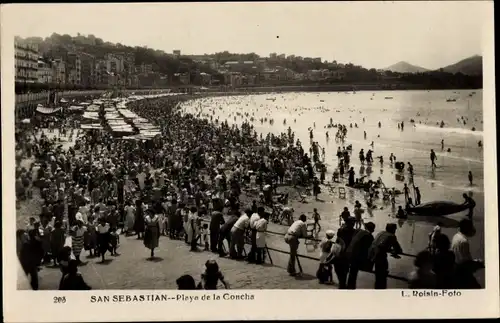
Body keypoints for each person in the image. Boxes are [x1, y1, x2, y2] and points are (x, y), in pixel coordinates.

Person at [368, 223, 403, 289]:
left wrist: (390, 249)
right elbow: (399, 249)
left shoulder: (380, 233)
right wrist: (394, 252)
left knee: (378, 276)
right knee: (382, 276)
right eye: (395, 229)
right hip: (380, 257)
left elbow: (380, 245)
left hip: (372, 255)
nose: (395, 231)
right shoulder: (392, 236)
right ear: (393, 229)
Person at [451, 219, 483, 289]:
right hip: (462, 271)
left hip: (456, 267)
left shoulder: (456, 236)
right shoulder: (464, 241)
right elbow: (465, 261)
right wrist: (477, 263)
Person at [346, 222, 376, 289]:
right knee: (354, 273)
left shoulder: (359, 231)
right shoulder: (369, 236)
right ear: (373, 229)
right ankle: (351, 287)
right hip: (357, 257)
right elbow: (368, 249)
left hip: (351, 254)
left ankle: (350, 286)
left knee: (352, 273)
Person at [334, 217, 355, 289]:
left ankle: (341, 284)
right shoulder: (354, 232)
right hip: (347, 254)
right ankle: (342, 284)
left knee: (339, 269)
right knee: (345, 270)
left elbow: (337, 240)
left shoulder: (340, 230)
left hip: (339, 252)